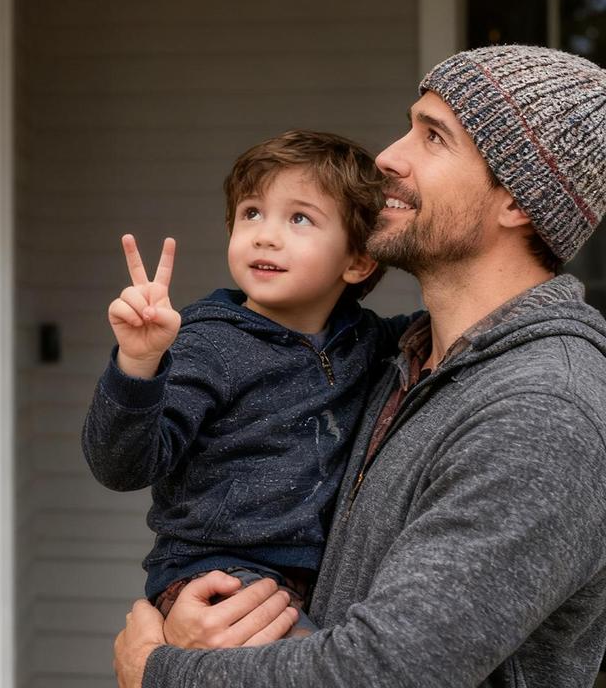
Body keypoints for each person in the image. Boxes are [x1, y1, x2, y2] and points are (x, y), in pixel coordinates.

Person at [113, 44, 606, 688]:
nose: (388, 158)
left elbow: (387, 671)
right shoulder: (394, 358)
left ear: (516, 200)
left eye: (433, 137)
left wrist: (159, 671)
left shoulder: (541, 412)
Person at [83, 131, 415, 634]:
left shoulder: (365, 342)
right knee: (310, 664)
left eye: (299, 218)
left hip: (317, 579)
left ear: (357, 262)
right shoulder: (209, 344)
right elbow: (121, 466)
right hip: (214, 574)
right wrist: (138, 361)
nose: (264, 235)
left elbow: (443, 325)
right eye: (251, 213)